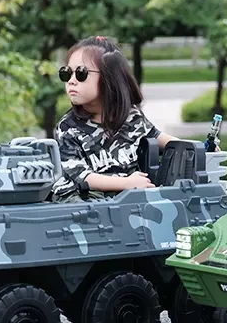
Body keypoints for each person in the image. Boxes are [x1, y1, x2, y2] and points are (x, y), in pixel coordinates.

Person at [51, 36, 177, 202]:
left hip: (124, 199)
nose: (71, 81)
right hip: (82, 199)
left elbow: (163, 139)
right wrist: (127, 183)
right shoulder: (67, 128)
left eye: (81, 73)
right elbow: (83, 177)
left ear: (108, 78)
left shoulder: (131, 117)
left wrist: (200, 149)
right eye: (66, 73)